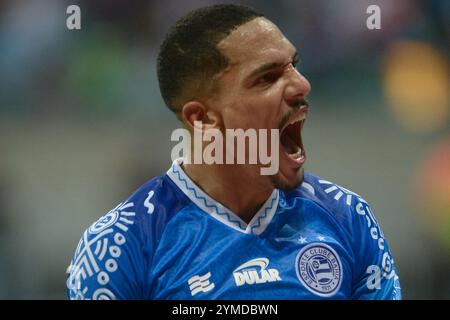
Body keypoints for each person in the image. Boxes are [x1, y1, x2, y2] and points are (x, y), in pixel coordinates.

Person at [66, 4, 401, 300]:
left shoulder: (348, 218)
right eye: (267, 78)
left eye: (294, 65)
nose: (302, 85)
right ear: (202, 118)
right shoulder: (122, 245)